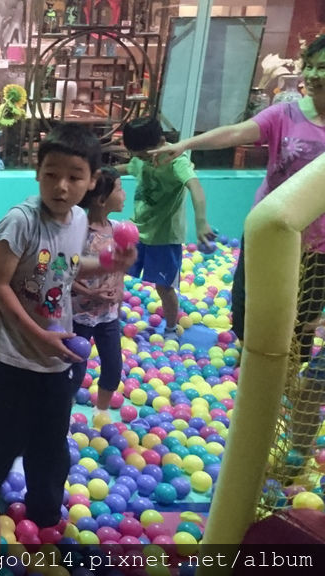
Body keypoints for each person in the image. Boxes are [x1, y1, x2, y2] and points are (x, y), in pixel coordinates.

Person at [0, 124, 136, 528]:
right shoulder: (19, 222)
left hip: (56, 352)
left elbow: (66, 268)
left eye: (74, 177)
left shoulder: (78, 220)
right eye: (51, 174)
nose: (61, 186)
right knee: (8, 435)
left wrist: (107, 263)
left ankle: (43, 514)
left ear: (92, 181)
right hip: (11, 350)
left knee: (51, 439)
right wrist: (38, 335)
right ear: (37, 173)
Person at [151, 33, 325, 360]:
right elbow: (235, 132)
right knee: (248, 300)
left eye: (323, 68)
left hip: (319, 242)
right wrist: (186, 144)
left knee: (304, 314)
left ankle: (291, 373)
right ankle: (251, 359)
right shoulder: (285, 114)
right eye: (311, 66)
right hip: (269, 229)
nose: (314, 75)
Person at [116, 116, 216, 340]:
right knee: (115, 275)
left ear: (161, 143)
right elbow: (127, 168)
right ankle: (111, 319)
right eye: (137, 156)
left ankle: (171, 328)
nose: (142, 160)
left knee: (164, 287)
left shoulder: (176, 160)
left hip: (164, 237)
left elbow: (195, 187)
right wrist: (99, 171)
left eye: (144, 155)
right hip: (136, 231)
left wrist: (201, 222)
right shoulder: (141, 159)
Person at [71, 167, 126, 422]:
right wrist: (90, 292)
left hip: (108, 316)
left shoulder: (118, 230)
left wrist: (119, 293)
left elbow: (120, 268)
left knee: (113, 366)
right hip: (78, 315)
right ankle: (63, 411)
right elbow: (63, 273)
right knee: (75, 368)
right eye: (120, 189)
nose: (124, 195)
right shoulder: (79, 232)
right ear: (102, 200)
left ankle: (101, 411)